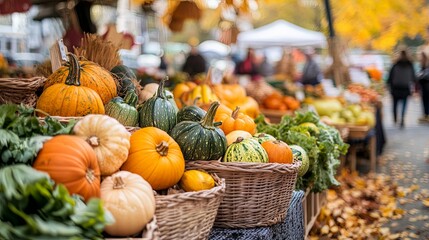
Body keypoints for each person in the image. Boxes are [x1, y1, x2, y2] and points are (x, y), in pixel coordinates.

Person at [387, 49, 417, 128]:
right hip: (404, 87)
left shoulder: (396, 64)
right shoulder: (410, 64)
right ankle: (402, 118)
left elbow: (390, 76)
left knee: (395, 104)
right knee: (404, 104)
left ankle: (396, 118)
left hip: (396, 87)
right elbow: (413, 77)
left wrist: (389, 84)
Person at [417, 51, 429, 122]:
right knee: (424, 101)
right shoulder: (422, 65)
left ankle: (426, 115)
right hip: (423, 86)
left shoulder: (426, 66)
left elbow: (421, 75)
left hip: (426, 86)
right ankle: (426, 115)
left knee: (426, 100)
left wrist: (421, 76)